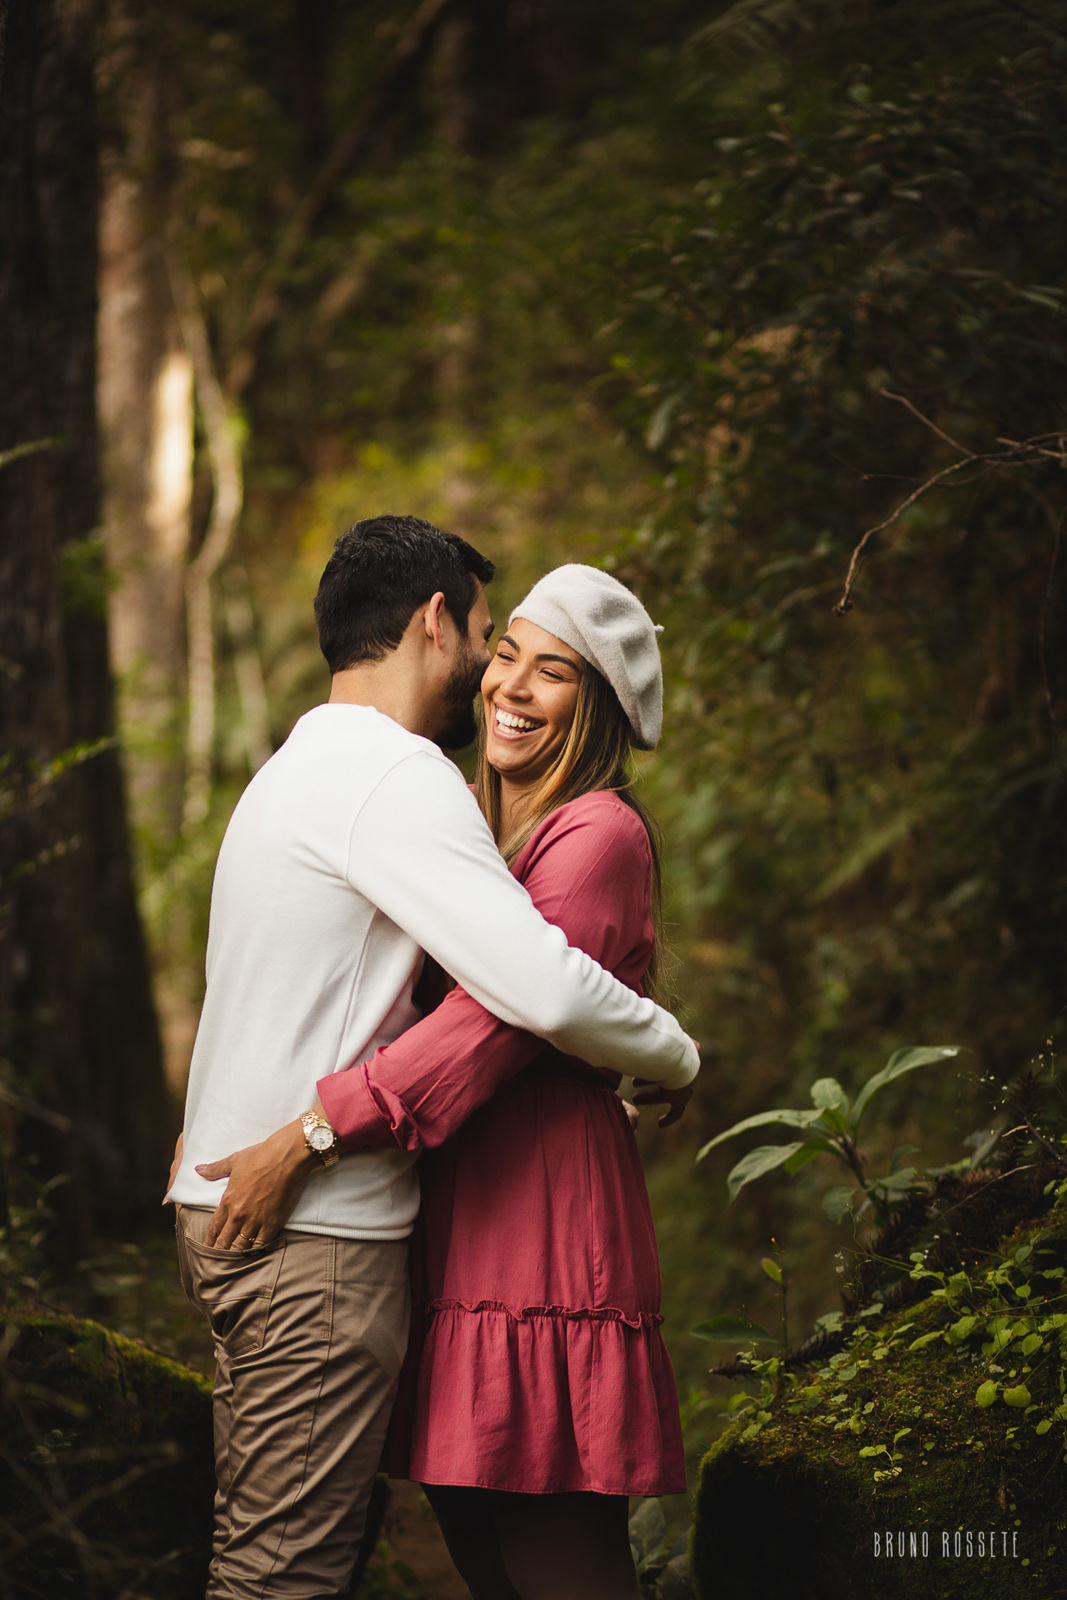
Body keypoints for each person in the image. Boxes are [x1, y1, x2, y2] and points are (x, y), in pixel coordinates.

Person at [166, 518, 698, 1600]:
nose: (506, 680)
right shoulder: (433, 804)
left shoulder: (588, 833)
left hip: (530, 1221)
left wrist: (308, 1123)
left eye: (553, 670)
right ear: (436, 624)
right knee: (451, 1550)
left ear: (594, 705)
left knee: (537, 1549)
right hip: (443, 1217)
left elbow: (502, 1018)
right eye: (501, 649)